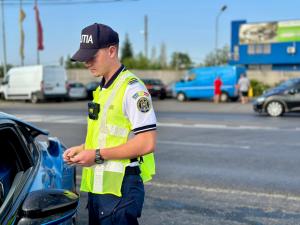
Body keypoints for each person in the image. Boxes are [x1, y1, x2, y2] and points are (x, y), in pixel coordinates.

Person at [63, 23, 157, 225]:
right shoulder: (104, 88)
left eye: (92, 56)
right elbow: (107, 136)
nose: (87, 63)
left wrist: (95, 155)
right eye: (84, 58)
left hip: (121, 188)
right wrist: (82, 149)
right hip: (101, 189)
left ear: (112, 51)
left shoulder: (132, 89)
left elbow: (147, 143)